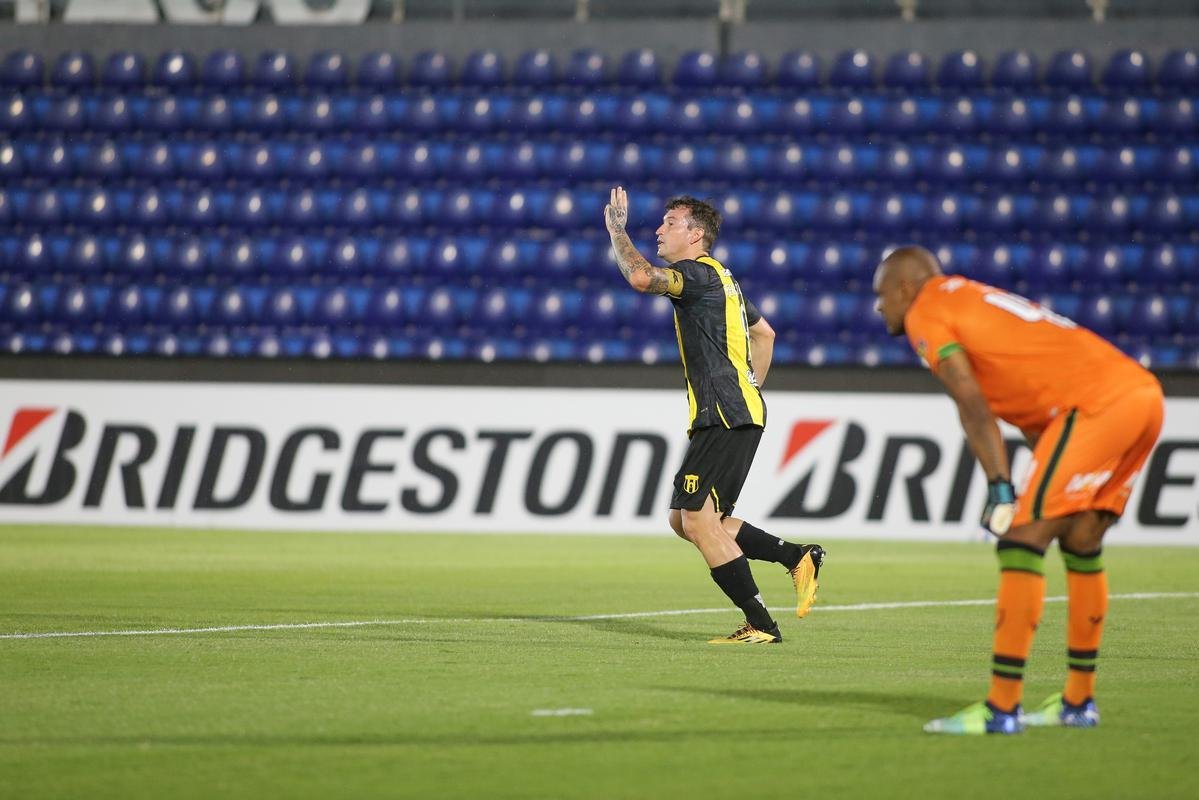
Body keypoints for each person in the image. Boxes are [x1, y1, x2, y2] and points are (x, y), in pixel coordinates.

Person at [873, 245, 1164, 734]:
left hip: (1097, 406)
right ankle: (1077, 703)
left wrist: (1001, 487)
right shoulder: (967, 297)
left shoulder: (927, 308)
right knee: (1081, 540)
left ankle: (1001, 709)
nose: (879, 305)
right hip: (1141, 396)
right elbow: (1033, 410)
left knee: (1021, 540)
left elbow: (970, 401)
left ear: (905, 287)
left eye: (881, 293)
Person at [603, 186, 824, 644]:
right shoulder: (725, 280)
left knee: (698, 522)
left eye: (669, 223)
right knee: (685, 519)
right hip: (736, 410)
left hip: (723, 413)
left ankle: (762, 625)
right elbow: (765, 334)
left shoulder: (698, 274)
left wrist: (617, 232)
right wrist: (750, 389)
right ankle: (795, 556)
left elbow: (642, 278)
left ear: (695, 234)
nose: (658, 230)